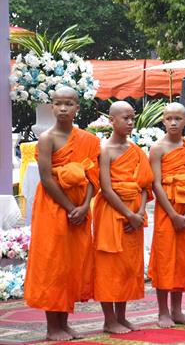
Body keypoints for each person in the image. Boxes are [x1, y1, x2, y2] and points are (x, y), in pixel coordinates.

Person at [24, 87, 99, 341]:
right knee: (53, 263)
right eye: (58, 103)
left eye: (69, 103)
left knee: (71, 263)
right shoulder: (47, 138)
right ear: (52, 106)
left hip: (79, 208)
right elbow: (46, 178)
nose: (63, 108)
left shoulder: (88, 140)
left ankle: (64, 323)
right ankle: (51, 326)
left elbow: (93, 177)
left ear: (78, 107)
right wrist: (70, 208)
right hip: (54, 208)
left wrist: (84, 206)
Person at [93, 101, 153, 333]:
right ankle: (109, 320)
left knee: (128, 265)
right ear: (111, 120)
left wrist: (138, 214)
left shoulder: (136, 150)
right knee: (109, 266)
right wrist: (128, 214)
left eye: (132, 118)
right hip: (112, 213)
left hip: (134, 214)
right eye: (124, 118)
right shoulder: (104, 150)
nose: (130, 122)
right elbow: (106, 189)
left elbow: (145, 185)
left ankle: (122, 316)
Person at [147, 103, 185, 327]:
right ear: (163, 121)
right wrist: (172, 214)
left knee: (183, 259)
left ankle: (178, 310)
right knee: (165, 259)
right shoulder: (158, 148)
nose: (173, 122)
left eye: (178, 119)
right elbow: (156, 184)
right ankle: (163, 312)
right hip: (167, 212)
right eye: (169, 118)